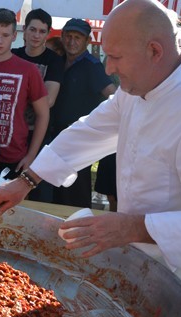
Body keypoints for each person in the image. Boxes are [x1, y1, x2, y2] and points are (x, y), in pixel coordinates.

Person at [0, 1, 181, 317]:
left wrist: (133, 227)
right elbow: (89, 131)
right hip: (145, 269)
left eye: (116, 57)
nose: (107, 68)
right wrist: (26, 181)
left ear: (154, 51)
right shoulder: (135, 90)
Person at [48, 18, 117, 208]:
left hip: (79, 140)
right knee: (55, 191)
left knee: (75, 195)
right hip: (55, 136)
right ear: (62, 38)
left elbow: (113, 95)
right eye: (68, 36)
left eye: (77, 37)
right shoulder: (58, 61)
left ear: (87, 41)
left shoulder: (92, 66)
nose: (72, 41)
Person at [0, 8, 48, 180]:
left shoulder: (28, 70)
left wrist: (31, 155)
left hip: (13, 157)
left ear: (14, 36)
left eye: (5, 35)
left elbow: (43, 114)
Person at [11, 8, 65, 201]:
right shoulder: (13, 55)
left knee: (38, 193)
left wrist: (16, 93)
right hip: (11, 133)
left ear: (48, 33)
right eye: (33, 29)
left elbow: (49, 100)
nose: (36, 35)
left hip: (38, 134)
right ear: (24, 29)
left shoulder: (55, 60)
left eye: (42, 31)